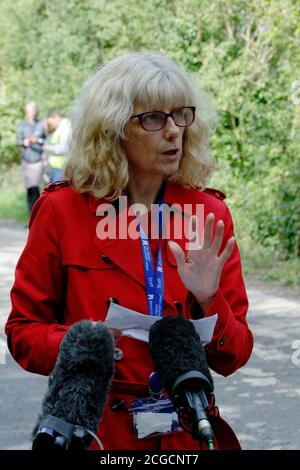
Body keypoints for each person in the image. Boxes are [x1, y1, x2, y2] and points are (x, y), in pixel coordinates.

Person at [6, 52, 253, 450]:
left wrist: (210, 299)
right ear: (114, 129)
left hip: (187, 433)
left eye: (181, 115)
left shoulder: (208, 214)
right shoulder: (61, 211)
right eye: (153, 119)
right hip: (97, 435)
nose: (174, 131)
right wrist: (83, 343)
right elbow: (22, 333)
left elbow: (234, 354)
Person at [17, 101, 46, 214]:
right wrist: (24, 142)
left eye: (32, 111)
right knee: (29, 189)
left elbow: (46, 141)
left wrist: (37, 140)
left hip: (37, 160)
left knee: (35, 187)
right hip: (26, 161)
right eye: (29, 111)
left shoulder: (41, 124)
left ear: (36, 111)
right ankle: (31, 216)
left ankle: (37, 215)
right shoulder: (22, 126)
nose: (31, 113)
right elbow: (18, 142)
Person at [42, 109, 71, 183]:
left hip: (61, 169)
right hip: (55, 168)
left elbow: (65, 148)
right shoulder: (59, 128)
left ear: (56, 117)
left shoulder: (65, 128)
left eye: (51, 122)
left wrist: (49, 148)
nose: (51, 125)